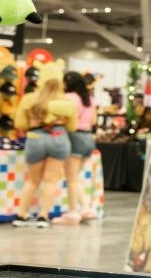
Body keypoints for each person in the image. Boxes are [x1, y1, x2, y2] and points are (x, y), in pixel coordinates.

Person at [12, 75, 79, 229]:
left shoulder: (29, 99)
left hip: (35, 137)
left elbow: (20, 123)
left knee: (32, 180)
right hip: (59, 137)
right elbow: (72, 126)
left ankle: (20, 215)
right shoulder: (66, 101)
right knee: (51, 180)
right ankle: (43, 216)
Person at [63, 72, 99, 222]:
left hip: (74, 137)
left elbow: (67, 120)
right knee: (76, 177)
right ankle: (85, 208)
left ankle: (72, 212)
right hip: (88, 138)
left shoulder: (69, 98)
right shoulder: (90, 99)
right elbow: (93, 120)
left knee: (71, 178)